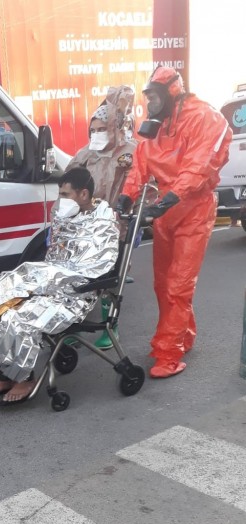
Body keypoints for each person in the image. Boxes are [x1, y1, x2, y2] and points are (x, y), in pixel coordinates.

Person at [116, 66, 232, 378]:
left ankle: (168, 353)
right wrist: (127, 195)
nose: (149, 102)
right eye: (148, 97)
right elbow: (141, 163)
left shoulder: (205, 118)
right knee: (163, 283)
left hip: (194, 209)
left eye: (153, 96)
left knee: (179, 285)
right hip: (166, 210)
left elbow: (200, 165)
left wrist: (169, 199)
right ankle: (183, 334)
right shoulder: (157, 125)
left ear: (171, 92)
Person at [0, 167, 119, 403]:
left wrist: (46, 278)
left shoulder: (102, 223)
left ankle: (24, 379)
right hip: (50, 286)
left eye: (65, 194)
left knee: (15, 319)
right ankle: (4, 376)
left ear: (84, 194)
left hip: (75, 295)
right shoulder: (65, 217)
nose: (61, 199)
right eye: (60, 194)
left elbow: (90, 270)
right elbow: (55, 258)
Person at [67, 85, 138, 349]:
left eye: (102, 129)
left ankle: (111, 325)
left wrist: (129, 208)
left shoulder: (129, 151)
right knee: (80, 277)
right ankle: (74, 325)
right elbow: (69, 181)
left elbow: (143, 183)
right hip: (86, 224)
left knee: (108, 277)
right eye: (93, 129)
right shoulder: (86, 154)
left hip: (115, 225)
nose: (96, 134)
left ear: (115, 128)